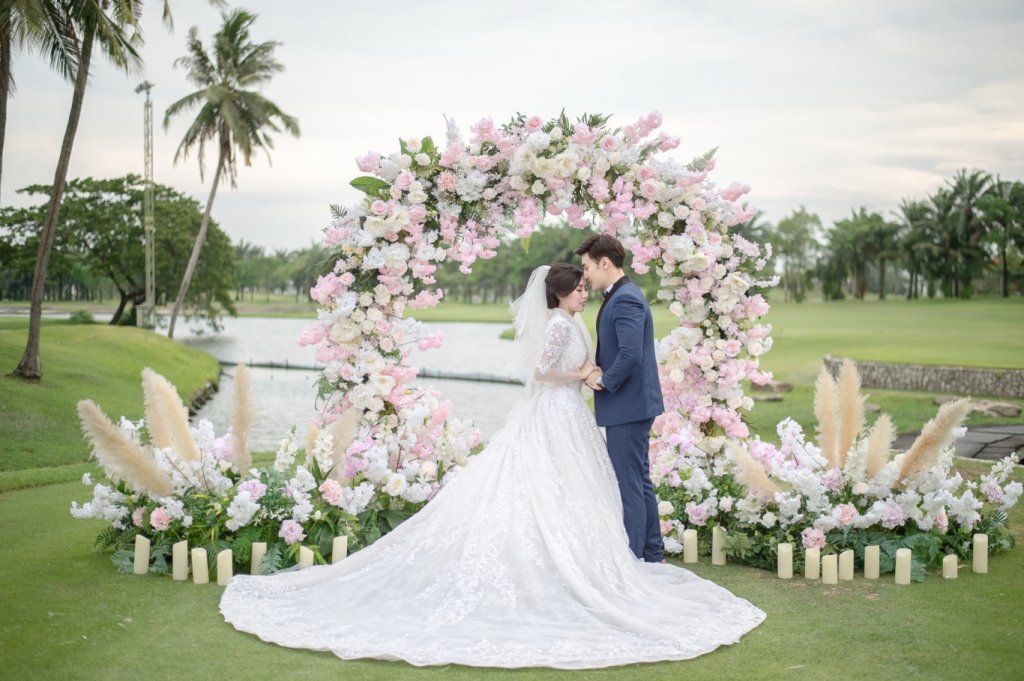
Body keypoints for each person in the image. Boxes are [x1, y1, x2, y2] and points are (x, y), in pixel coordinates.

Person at [220, 263, 765, 669]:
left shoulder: (572, 321)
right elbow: (541, 373)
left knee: (571, 489)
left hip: (570, 415)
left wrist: (588, 375)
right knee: (543, 487)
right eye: (579, 288)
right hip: (554, 410)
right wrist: (582, 376)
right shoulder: (559, 326)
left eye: (585, 287)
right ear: (560, 294)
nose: (585, 293)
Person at [574, 233, 665, 563]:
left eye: (587, 267)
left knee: (628, 483)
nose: (585, 275)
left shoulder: (625, 298)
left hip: (628, 406)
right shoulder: (621, 294)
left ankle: (633, 558)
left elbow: (629, 354)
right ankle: (652, 553)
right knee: (638, 479)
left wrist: (602, 380)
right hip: (632, 404)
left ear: (604, 263)